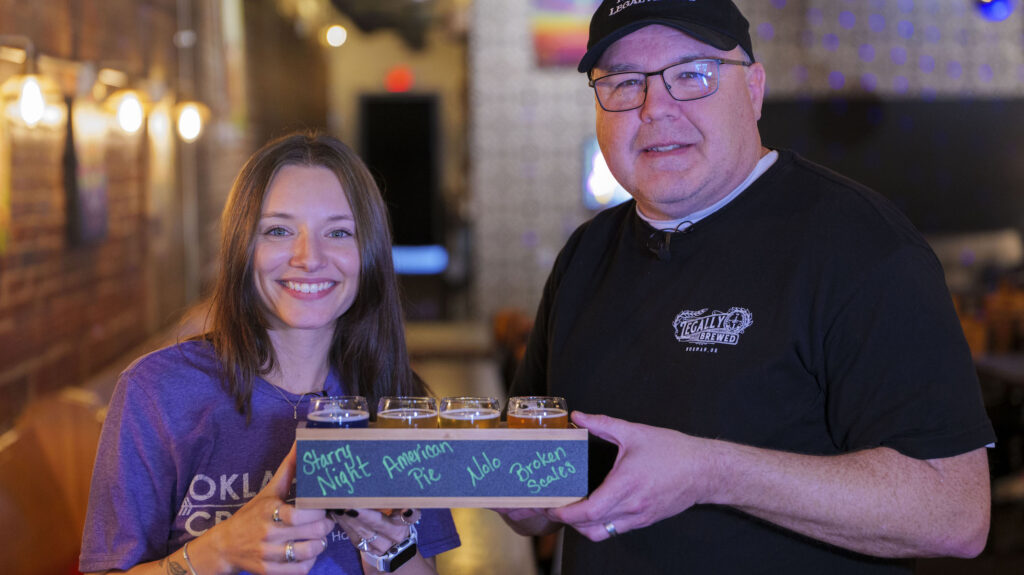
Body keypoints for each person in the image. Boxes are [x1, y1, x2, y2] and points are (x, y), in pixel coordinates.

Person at [501, 1, 996, 573]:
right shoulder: (586, 254)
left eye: (692, 75)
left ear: (754, 89)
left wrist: (712, 471)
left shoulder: (861, 245)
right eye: (624, 82)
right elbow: (533, 501)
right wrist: (437, 473)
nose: (655, 107)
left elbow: (955, 513)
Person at [80, 132, 460, 574]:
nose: (308, 257)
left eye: (338, 232)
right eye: (278, 230)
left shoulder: (396, 401)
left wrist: (384, 546)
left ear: (368, 252)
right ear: (243, 248)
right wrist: (218, 551)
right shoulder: (158, 392)